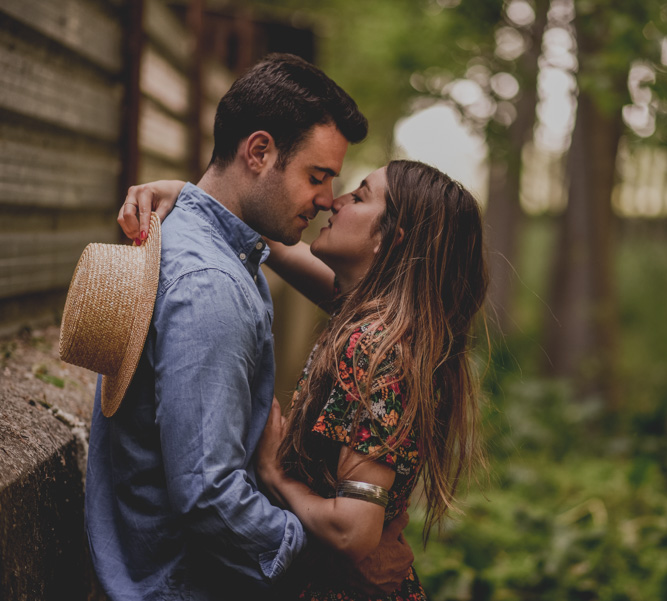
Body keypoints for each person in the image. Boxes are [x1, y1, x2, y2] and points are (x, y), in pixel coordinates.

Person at [87, 53, 411, 601]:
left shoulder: (209, 246)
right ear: (259, 151)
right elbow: (208, 493)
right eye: (318, 176)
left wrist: (188, 193)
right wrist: (319, 561)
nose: (329, 199)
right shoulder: (213, 284)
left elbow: (340, 285)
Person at [125, 159, 489, 600]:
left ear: (391, 240)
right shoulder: (370, 314)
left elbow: (351, 531)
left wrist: (277, 477)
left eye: (359, 196)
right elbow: (269, 243)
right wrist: (194, 195)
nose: (335, 200)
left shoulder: (377, 348)